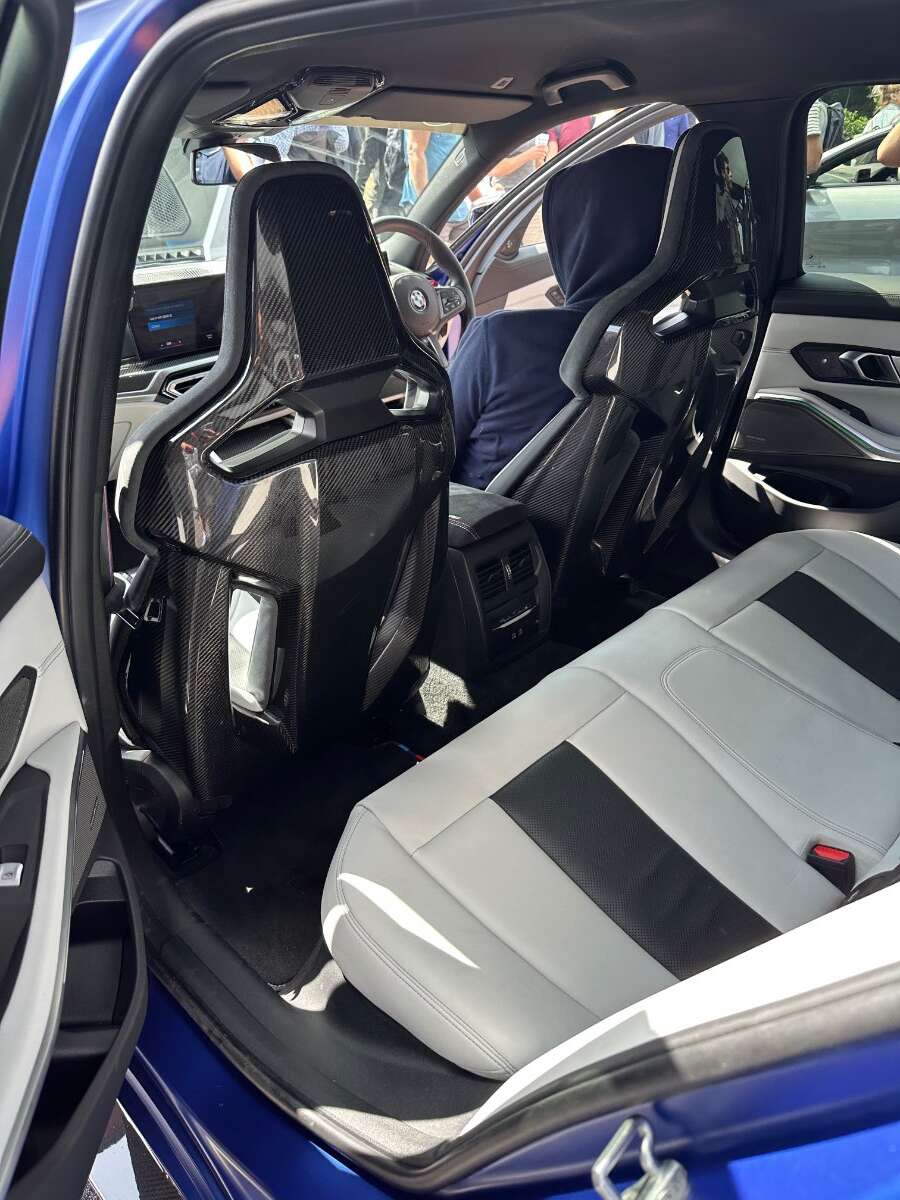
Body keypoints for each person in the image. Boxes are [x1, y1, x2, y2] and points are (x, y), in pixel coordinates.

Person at [448, 145, 672, 490]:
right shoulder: (685, 340)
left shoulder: (500, 339)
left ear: (573, 234)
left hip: (476, 520)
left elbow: (429, 454)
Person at [403, 130, 471, 231]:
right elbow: (415, 151)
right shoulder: (426, 119)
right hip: (433, 208)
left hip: (460, 207)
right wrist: (428, 206)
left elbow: (462, 156)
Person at [355, 126, 407, 216]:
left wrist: (356, 192)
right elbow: (367, 159)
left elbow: (366, 160)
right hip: (396, 196)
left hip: (391, 196)